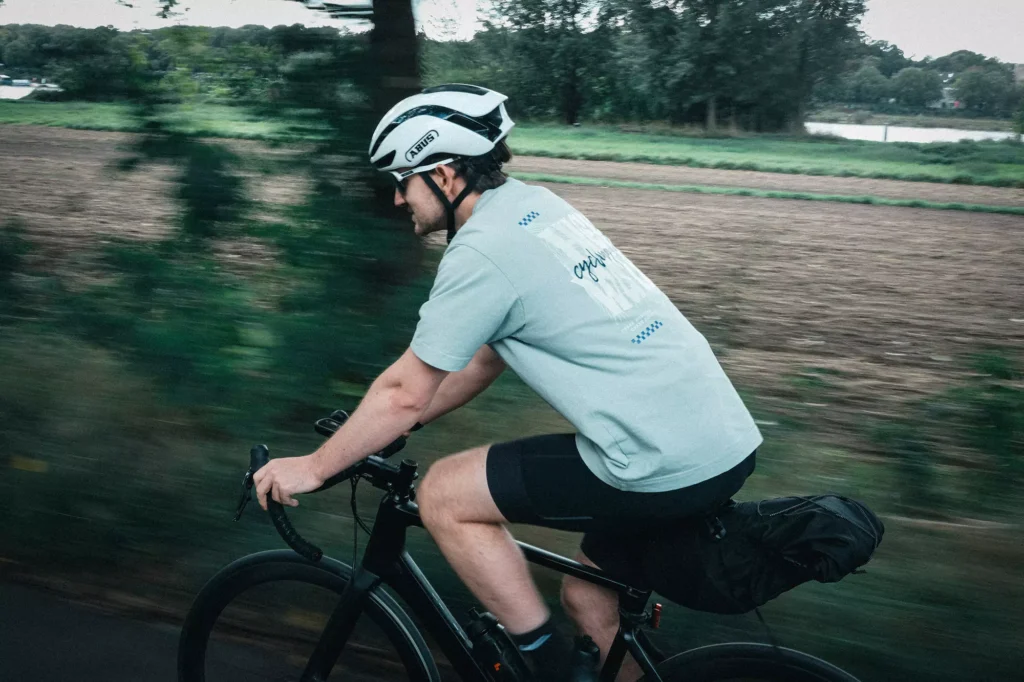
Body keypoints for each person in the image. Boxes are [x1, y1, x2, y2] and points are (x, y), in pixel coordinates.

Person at [254, 84, 763, 682]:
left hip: (656, 458)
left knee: (443, 493)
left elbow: (403, 391)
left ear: (443, 176)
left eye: (402, 180)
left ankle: (544, 669)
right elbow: (481, 360)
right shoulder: (536, 206)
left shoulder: (483, 251)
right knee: (589, 602)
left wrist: (315, 466)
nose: (396, 199)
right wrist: (383, 432)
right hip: (720, 441)